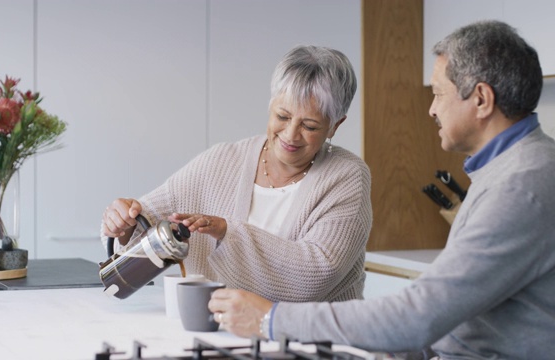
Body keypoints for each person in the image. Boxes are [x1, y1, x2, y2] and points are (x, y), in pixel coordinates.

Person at [208, 20, 555, 359]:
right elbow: (457, 313)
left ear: (481, 99)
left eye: (437, 93)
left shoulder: (520, 186)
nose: (432, 109)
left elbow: (419, 316)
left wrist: (271, 319)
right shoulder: (513, 169)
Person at [101, 45, 372, 303]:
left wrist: (227, 232)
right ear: (270, 105)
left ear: (335, 125)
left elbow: (318, 273)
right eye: (283, 116)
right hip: (222, 331)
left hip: (315, 340)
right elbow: (146, 220)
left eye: (310, 126)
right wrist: (123, 224)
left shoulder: (346, 177)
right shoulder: (222, 160)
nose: (290, 135)